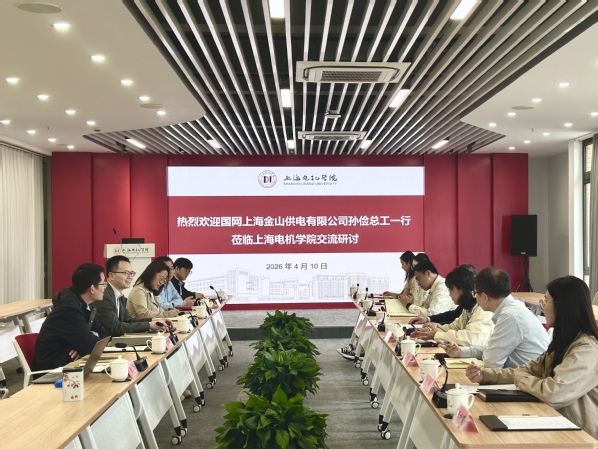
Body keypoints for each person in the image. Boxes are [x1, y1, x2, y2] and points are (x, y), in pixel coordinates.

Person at [466, 276, 598, 439]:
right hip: (557, 422)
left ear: (562, 307)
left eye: (546, 302)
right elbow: (528, 370)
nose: (543, 308)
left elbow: (554, 392)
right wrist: (486, 375)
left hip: (581, 436)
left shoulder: (586, 349)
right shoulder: (564, 341)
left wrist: (521, 378)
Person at [445, 267, 549, 368]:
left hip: (528, 377)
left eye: (475, 293)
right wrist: (461, 351)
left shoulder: (510, 316)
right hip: (521, 374)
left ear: (485, 297)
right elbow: (492, 350)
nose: (475, 297)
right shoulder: (511, 309)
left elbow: (491, 363)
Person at [33, 263, 110, 371]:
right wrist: (85, 344)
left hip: (69, 365)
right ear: (92, 288)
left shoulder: (82, 306)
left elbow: (105, 336)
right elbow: (92, 347)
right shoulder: (68, 311)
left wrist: (84, 344)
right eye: (103, 284)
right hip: (52, 372)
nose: (105, 288)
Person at [410, 265, 494, 347]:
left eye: (451, 289)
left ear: (462, 289)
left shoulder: (483, 309)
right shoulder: (468, 308)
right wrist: (431, 329)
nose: (449, 294)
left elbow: (471, 339)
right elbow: (455, 327)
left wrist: (436, 335)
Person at [94, 255, 173, 336]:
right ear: (111, 275)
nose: (130, 277)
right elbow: (115, 328)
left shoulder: (120, 297)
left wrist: (155, 321)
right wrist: (149, 325)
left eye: (131, 273)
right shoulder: (104, 296)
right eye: (126, 273)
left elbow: (128, 320)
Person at [409, 264, 477, 325]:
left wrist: (408, 305)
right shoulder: (465, 306)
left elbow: (468, 334)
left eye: (450, 290)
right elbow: (454, 319)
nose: (449, 294)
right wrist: (428, 320)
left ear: (462, 288)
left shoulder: (478, 308)